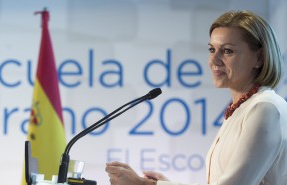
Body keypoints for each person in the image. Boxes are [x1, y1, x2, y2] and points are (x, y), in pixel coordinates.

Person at [105, 10, 287, 185]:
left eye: (228, 51)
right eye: (211, 49)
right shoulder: (241, 109)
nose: (214, 60)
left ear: (260, 58)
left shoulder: (265, 108)